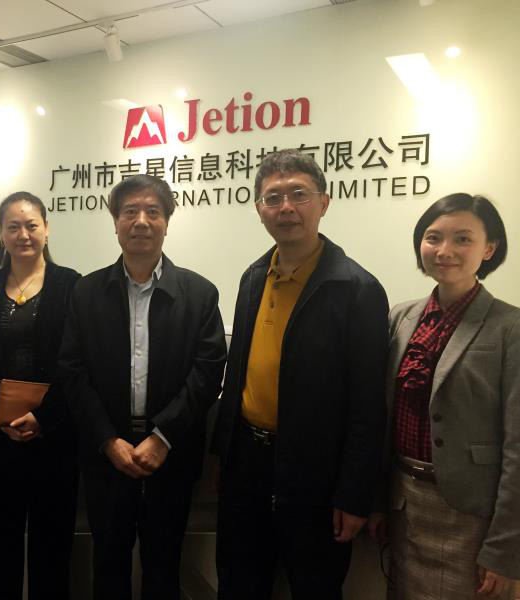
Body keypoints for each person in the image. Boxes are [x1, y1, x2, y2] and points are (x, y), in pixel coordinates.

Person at [212, 148, 389, 600]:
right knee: (239, 583)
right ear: (259, 209)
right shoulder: (254, 277)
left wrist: (354, 495)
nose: (286, 207)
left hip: (317, 476)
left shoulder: (358, 290)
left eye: (299, 194)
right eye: (273, 197)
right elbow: (238, 374)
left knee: (315, 587)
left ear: (324, 203)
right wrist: (225, 459)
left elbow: (368, 404)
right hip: (247, 468)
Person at [59, 174, 227, 600]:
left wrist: (163, 436)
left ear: (167, 222)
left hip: (172, 454)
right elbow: (72, 371)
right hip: (106, 455)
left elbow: (208, 372)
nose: (141, 221)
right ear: (115, 222)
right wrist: (107, 439)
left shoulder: (200, 293)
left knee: (164, 564)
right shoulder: (86, 291)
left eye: (153, 211)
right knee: (108, 563)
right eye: (130, 211)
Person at [367, 194, 519, 599]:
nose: (445, 250)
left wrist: (505, 548)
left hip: (472, 516)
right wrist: (379, 501)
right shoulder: (401, 317)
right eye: (433, 237)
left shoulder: (511, 327)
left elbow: (517, 448)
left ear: (490, 248)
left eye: (463, 239)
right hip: (405, 504)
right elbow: (384, 418)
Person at [0, 191, 80, 599]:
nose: (23, 234)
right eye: (13, 226)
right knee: (0, 542)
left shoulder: (72, 285)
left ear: (47, 229)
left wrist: (45, 418)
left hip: (56, 437)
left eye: (31, 225)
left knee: (53, 542)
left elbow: (78, 362)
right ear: (1, 233)